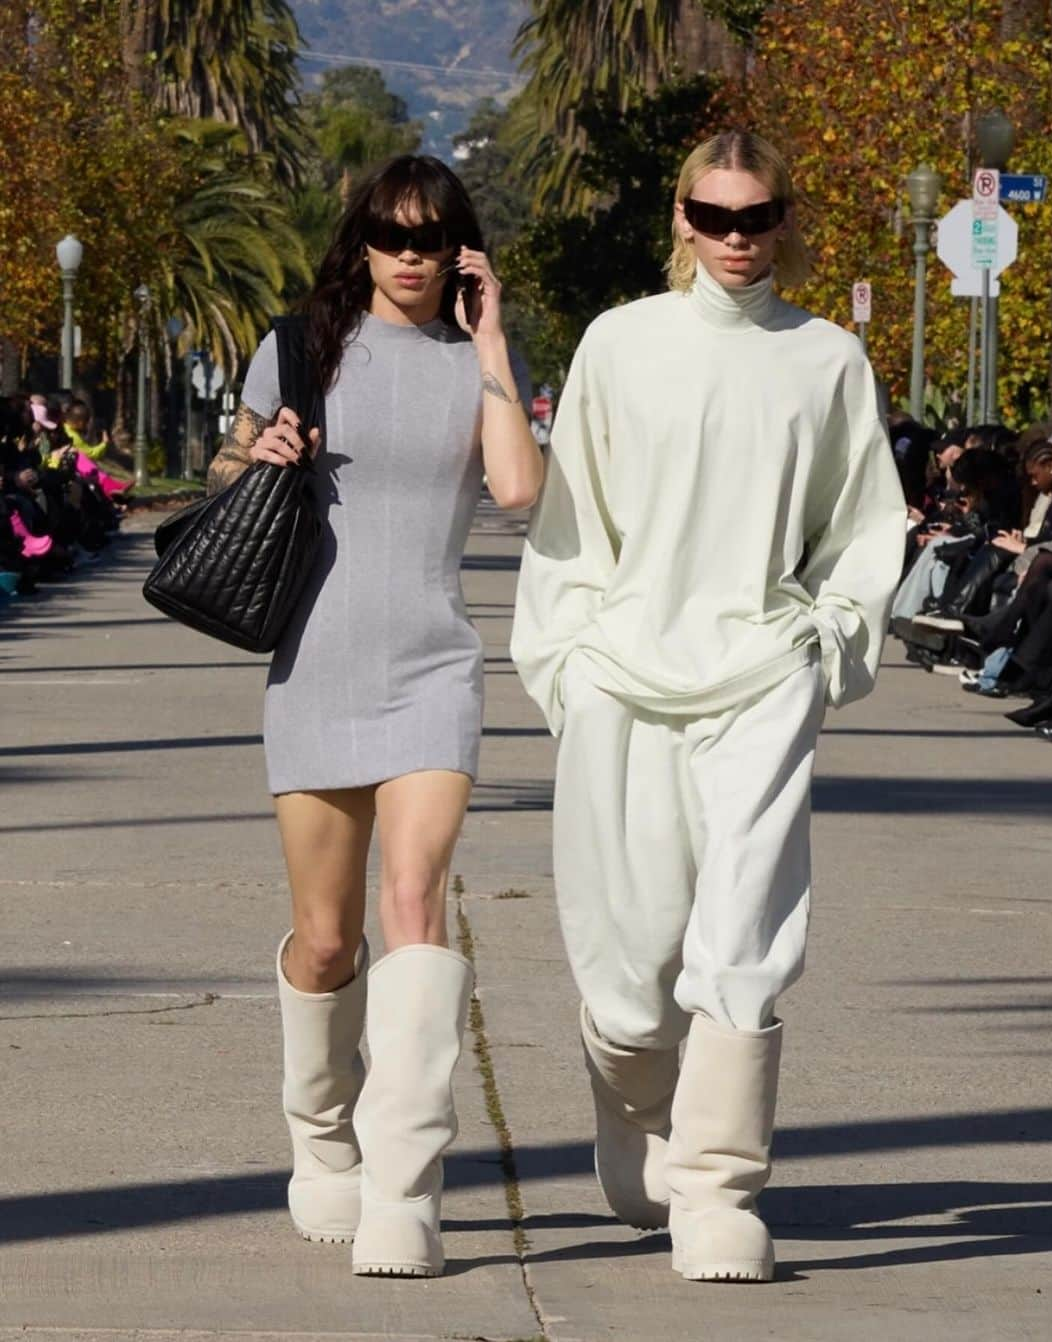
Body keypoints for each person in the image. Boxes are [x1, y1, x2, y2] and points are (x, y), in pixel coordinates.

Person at [511, 129, 906, 1285]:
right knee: (630, 976)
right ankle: (633, 1104)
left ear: (787, 221)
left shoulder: (829, 359)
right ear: (681, 217)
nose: (738, 238)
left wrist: (824, 645)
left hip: (764, 674)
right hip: (625, 678)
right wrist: (571, 668)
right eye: (715, 215)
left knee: (743, 940)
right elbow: (570, 528)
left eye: (758, 216)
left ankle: (722, 1185)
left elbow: (862, 527)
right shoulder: (620, 345)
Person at [205, 154, 541, 1278]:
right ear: (362, 240)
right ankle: (321, 1141)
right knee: (328, 938)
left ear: (459, 246)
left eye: (432, 235)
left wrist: (491, 342)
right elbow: (220, 470)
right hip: (316, 664)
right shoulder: (303, 347)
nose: (410, 254)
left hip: (434, 666)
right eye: (391, 235)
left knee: (415, 906)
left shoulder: (474, 360)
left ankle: (406, 1188)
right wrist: (254, 454)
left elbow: (517, 492)